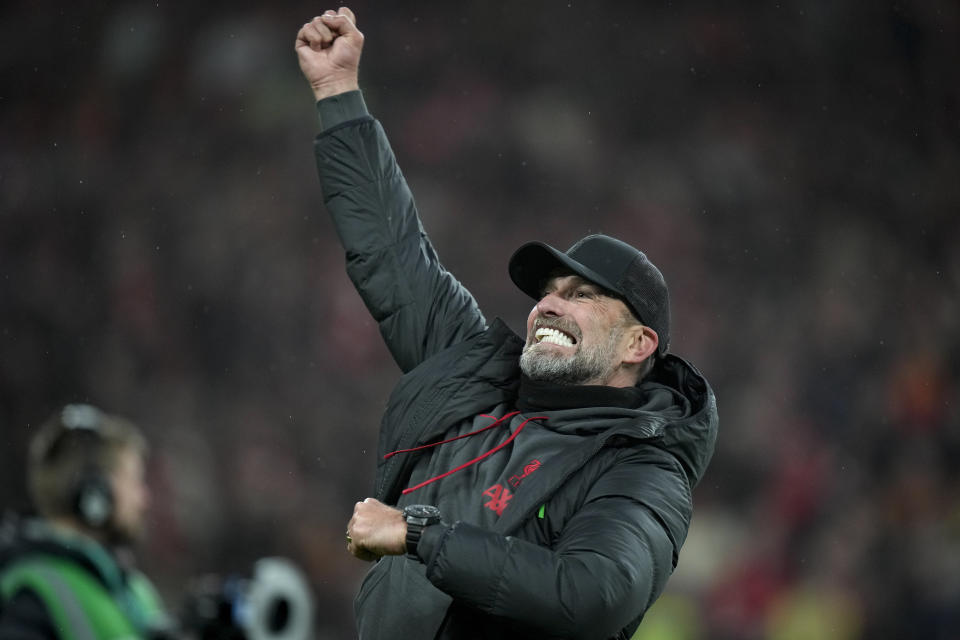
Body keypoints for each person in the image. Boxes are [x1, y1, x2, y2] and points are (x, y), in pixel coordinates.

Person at [296, 8, 718, 640]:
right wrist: (340, 96)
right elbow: (393, 253)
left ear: (638, 344)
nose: (548, 304)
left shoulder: (642, 467)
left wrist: (419, 535)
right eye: (547, 292)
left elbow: (594, 595)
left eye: (581, 295)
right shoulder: (475, 376)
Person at [0, 403, 174, 639]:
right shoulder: (29, 594)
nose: (143, 498)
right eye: (133, 481)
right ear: (94, 493)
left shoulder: (132, 588)